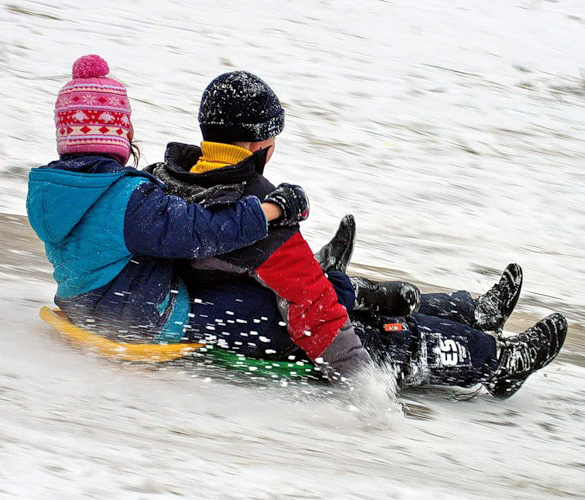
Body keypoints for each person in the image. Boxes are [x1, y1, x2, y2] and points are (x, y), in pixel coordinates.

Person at [148, 70, 568, 398]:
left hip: (238, 299)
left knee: (351, 296)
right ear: (261, 146)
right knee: (394, 336)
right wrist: (363, 384)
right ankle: (498, 363)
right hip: (283, 328)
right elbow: (314, 308)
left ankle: (471, 312)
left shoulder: (168, 180)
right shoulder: (258, 212)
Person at [26, 55, 310, 346]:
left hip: (83, 304)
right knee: (261, 309)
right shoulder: (127, 198)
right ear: (118, 131)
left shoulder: (50, 191)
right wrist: (272, 210)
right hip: (141, 317)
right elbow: (200, 231)